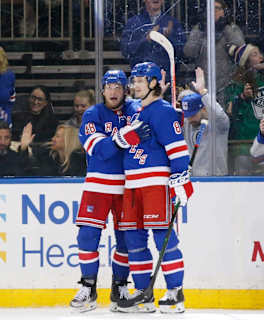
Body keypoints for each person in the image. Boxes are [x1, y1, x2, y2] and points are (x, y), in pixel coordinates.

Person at [70, 70, 150, 313]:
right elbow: (100, 149)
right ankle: (88, 286)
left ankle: (119, 286)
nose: (113, 91)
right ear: (102, 90)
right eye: (109, 86)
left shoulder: (136, 109)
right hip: (98, 184)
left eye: (118, 86)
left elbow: (152, 121)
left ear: (125, 89)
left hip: (128, 185)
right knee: (86, 235)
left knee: (126, 238)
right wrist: (121, 140)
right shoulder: (92, 114)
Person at [117, 62, 193, 313]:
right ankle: (143, 294)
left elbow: (177, 149)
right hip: (132, 184)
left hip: (154, 183)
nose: (134, 86)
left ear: (152, 83)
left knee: (163, 238)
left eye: (139, 81)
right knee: (133, 238)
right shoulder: (138, 111)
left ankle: (175, 293)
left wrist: (181, 178)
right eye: (133, 81)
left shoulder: (162, 111)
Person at [183, 0, 245, 104]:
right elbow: (188, 52)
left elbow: (241, 51)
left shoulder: (231, 28)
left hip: (226, 85)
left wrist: (226, 28)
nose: (214, 11)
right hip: (204, 85)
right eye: (211, 8)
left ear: (224, 12)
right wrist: (201, 31)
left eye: (218, 8)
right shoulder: (199, 28)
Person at [180, 67, 230, 176]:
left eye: (193, 115)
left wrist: (203, 92)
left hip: (218, 178)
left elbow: (220, 114)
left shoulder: (219, 124)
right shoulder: (188, 123)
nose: (190, 119)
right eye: (188, 116)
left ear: (203, 108)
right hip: (194, 180)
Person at [225, 43, 264, 174]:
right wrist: (242, 97)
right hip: (244, 147)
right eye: (255, 54)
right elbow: (229, 112)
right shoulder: (235, 85)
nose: (261, 57)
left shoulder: (262, 79)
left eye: (260, 53)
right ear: (245, 61)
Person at [120, 0, 186, 76]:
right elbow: (125, 50)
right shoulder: (133, 23)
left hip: (166, 78)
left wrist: (168, 37)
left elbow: (181, 52)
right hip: (141, 78)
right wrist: (145, 39)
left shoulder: (173, 22)